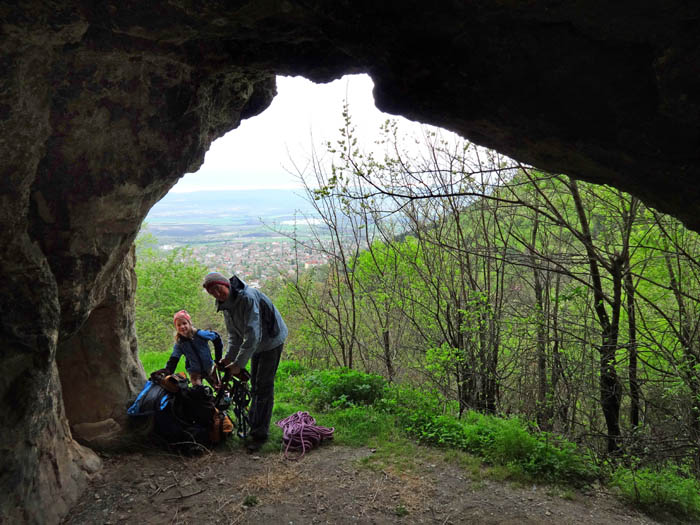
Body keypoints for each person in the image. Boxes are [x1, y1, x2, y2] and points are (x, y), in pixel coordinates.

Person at [202, 271, 288, 451]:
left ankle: (259, 435)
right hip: (257, 343)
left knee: (263, 386)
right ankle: (255, 424)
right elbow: (234, 336)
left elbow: (252, 335)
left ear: (226, 285)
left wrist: (238, 364)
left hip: (271, 340)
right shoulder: (226, 305)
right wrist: (228, 358)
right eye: (213, 293)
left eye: (219, 289)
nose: (217, 295)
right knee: (255, 384)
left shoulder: (247, 298)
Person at [162, 309, 223, 387]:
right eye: (179, 325)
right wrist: (167, 373)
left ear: (189, 323)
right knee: (199, 392)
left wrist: (218, 359)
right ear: (176, 327)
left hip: (209, 368)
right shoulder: (179, 343)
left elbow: (216, 338)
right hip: (194, 372)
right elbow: (174, 359)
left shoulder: (200, 334)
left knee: (220, 388)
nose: (182, 326)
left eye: (184, 323)